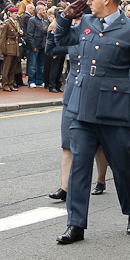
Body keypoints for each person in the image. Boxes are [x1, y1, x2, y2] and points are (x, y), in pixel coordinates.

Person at [53, 0, 130, 244]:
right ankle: (75, 224)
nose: (87, 3)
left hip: (115, 110)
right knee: (79, 166)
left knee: (123, 167)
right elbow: (60, 39)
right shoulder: (86, 22)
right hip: (82, 107)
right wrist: (65, 16)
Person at [46, 15, 81, 201]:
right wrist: (53, 31)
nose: (76, 23)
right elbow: (50, 50)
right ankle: (65, 188)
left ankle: (100, 179)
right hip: (72, 91)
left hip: (92, 94)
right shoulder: (72, 38)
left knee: (99, 147)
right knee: (67, 143)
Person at [26, 3, 48, 88]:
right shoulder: (32, 20)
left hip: (42, 45)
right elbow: (29, 34)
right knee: (32, 64)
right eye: (43, 10)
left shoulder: (44, 20)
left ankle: (39, 80)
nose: (44, 11)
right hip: (35, 45)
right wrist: (33, 46)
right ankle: (31, 80)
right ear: (38, 11)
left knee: (41, 64)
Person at [0, 7, 21, 92]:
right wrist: (3, 49)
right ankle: (5, 84)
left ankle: (11, 83)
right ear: (10, 14)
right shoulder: (6, 23)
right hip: (8, 47)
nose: (17, 15)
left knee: (13, 67)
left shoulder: (16, 23)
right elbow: (2, 38)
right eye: (15, 13)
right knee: (7, 67)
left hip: (15, 46)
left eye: (17, 13)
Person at [44, 7, 64, 93]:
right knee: (54, 69)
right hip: (55, 50)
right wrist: (53, 52)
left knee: (59, 69)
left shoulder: (61, 24)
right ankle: (52, 85)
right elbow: (50, 40)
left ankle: (58, 84)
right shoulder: (53, 25)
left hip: (61, 49)